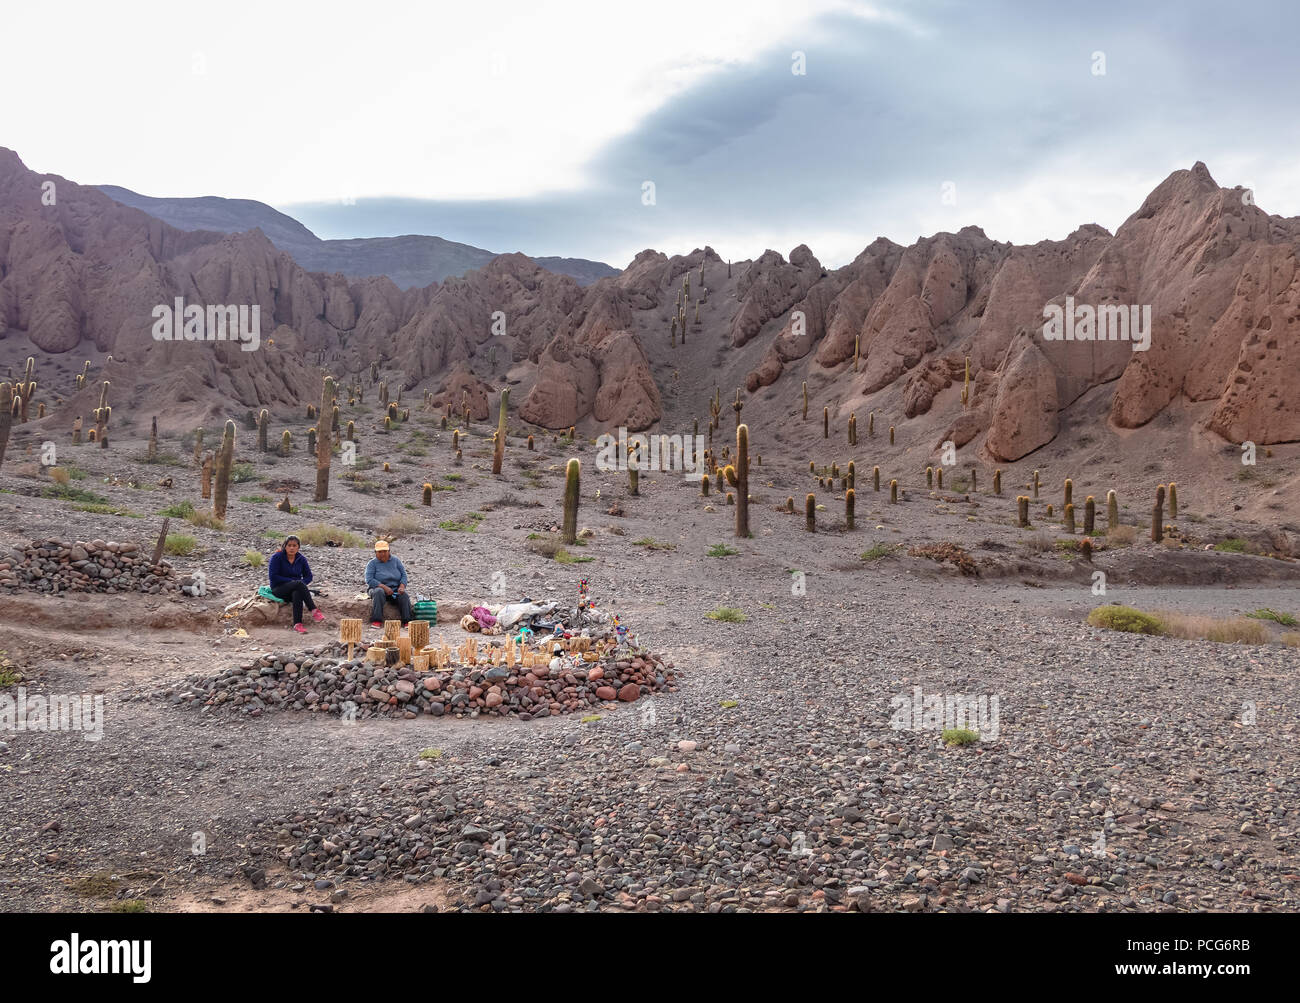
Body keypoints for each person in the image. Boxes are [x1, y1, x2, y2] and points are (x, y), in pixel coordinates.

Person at [268, 536, 323, 633]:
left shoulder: (301, 559)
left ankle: (298, 624)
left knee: (297, 592)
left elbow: (309, 576)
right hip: (279, 589)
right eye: (289, 545)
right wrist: (292, 581)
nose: (292, 548)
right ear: (285, 546)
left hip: (295, 588)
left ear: (298, 547)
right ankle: (313, 609)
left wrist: (299, 583)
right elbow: (273, 576)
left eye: (294, 545)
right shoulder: (276, 557)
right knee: (298, 584)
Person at [365, 539, 412, 627]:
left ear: (389, 551)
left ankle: (407, 621)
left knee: (404, 596)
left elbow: (403, 575)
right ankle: (376, 621)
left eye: (384, 551)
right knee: (379, 592)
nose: (382, 554)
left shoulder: (396, 561)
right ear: (375, 552)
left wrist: (402, 586)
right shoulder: (372, 564)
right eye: (380, 552)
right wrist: (384, 587)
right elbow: (369, 580)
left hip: (394, 589)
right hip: (377, 589)